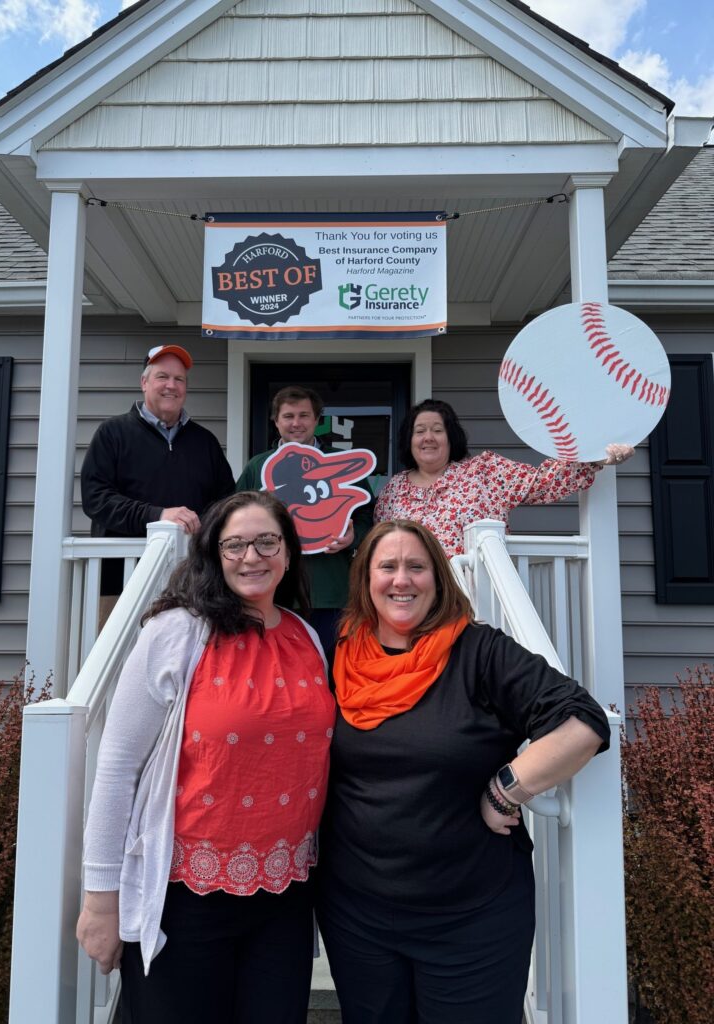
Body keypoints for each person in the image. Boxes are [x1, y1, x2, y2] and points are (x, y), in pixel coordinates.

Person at [316, 519, 610, 1024]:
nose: (401, 580)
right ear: (365, 579)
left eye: (417, 566)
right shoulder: (335, 649)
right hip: (357, 916)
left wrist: (506, 790)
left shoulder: (480, 651)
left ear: (439, 577)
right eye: (387, 566)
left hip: (472, 917)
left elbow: (582, 722)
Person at [76, 491, 335, 1024]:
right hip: (184, 897)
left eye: (267, 542)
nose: (252, 556)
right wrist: (101, 898)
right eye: (235, 544)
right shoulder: (176, 633)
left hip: (285, 895)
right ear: (215, 555)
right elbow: (118, 766)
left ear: (288, 554)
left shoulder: (306, 636)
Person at [374, 398, 634, 556]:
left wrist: (596, 456)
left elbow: (542, 482)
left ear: (451, 437)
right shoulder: (393, 491)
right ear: (409, 440)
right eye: (420, 431)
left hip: (472, 604)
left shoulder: (483, 472)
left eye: (437, 430)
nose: (428, 437)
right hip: (409, 604)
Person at [80, 343, 235, 605]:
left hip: (192, 584)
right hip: (121, 585)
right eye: (162, 377)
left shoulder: (205, 442)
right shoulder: (112, 433)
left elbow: (226, 503)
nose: (171, 386)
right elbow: (96, 499)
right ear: (144, 382)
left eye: (179, 379)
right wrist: (158, 516)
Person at [236, 385, 372, 658]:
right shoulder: (257, 467)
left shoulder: (339, 460)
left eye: (304, 415)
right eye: (288, 416)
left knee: (333, 667)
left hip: (330, 588)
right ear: (276, 422)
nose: (296, 423)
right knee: (279, 668)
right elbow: (235, 520)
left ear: (317, 420)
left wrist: (352, 538)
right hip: (275, 590)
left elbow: (368, 517)